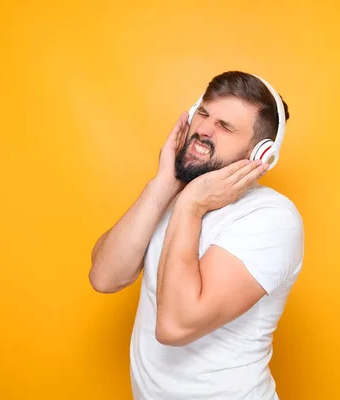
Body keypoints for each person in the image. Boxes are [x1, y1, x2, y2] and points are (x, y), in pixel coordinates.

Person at [89, 71, 304, 399]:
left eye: (226, 126)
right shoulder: (171, 195)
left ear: (260, 155)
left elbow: (175, 326)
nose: (203, 129)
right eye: (203, 113)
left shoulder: (271, 218)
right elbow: (104, 277)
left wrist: (190, 205)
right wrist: (164, 183)